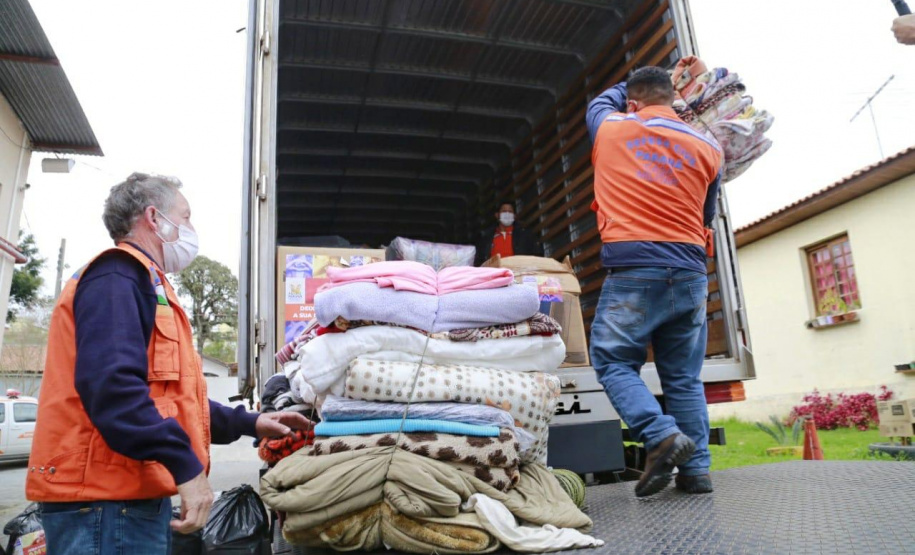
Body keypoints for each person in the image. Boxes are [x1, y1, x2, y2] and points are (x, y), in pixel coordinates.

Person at [26, 173, 310, 554]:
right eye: (185, 216)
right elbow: (114, 392)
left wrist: (251, 422)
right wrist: (185, 466)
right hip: (102, 507)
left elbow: (175, 402)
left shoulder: (149, 284)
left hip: (128, 503)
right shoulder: (116, 276)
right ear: (154, 218)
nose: (191, 228)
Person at [586, 67, 723, 497]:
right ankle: (696, 472)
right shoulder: (709, 146)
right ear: (673, 99)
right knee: (683, 378)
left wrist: (654, 76)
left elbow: (602, 101)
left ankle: (660, 434)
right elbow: (707, 215)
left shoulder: (612, 126)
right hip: (690, 272)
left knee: (612, 361)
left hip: (635, 270)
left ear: (633, 102)